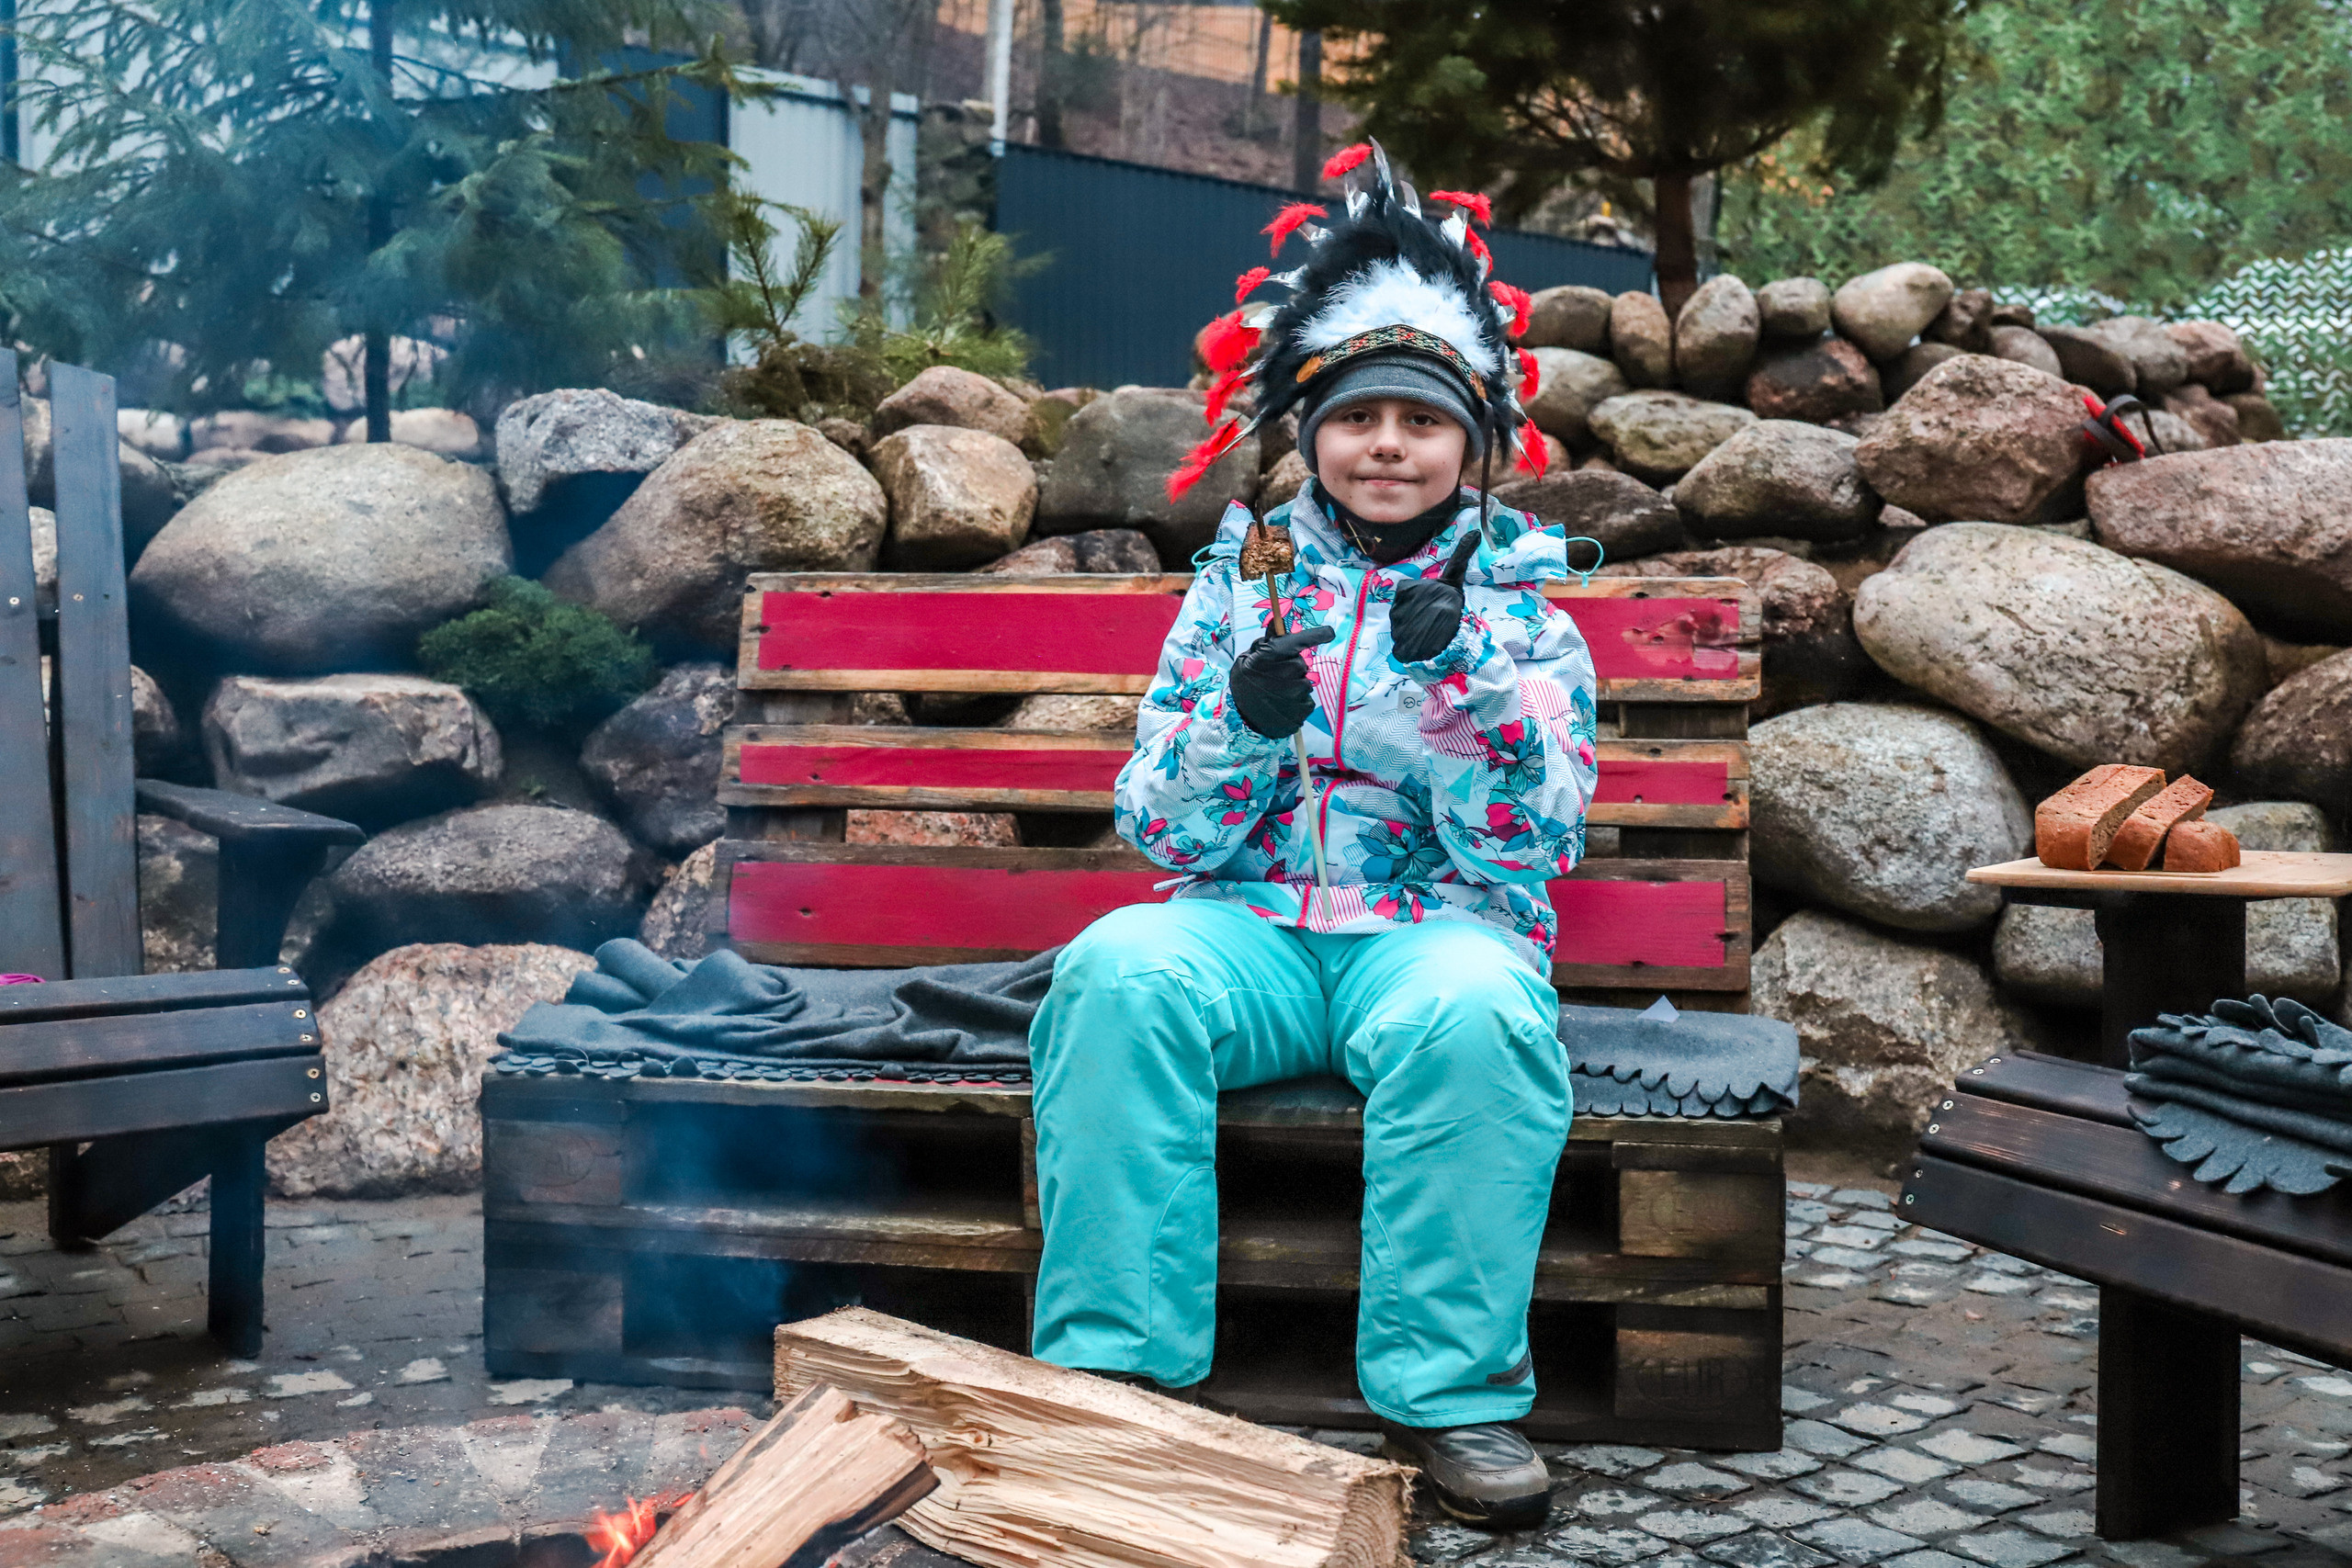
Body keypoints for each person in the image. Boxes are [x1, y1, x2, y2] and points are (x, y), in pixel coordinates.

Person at [1025, 142, 1599, 1529]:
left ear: (1473, 445)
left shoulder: (1523, 610)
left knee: (1479, 1018)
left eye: (1421, 420)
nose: (1387, 445)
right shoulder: (1239, 588)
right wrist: (1240, 723)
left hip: (1435, 937)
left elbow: (1534, 844)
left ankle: (1449, 1395)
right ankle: (1116, 1374)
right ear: (1310, 434)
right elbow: (1156, 822)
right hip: (1253, 933)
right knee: (1115, 973)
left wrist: (1466, 688)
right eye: (1357, 417)